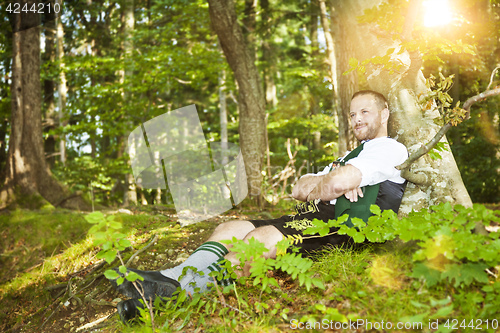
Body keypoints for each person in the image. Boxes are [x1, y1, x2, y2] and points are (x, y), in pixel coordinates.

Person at [112, 90, 409, 323]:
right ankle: (174, 277)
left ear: (384, 114)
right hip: (312, 214)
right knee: (230, 227)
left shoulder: (390, 149)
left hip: (340, 227)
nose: (356, 119)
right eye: (352, 113)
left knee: (259, 240)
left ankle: (179, 294)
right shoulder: (350, 154)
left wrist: (335, 182)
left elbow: (333, 182)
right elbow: (298, 187)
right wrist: (333, 182)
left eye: (365, 112)